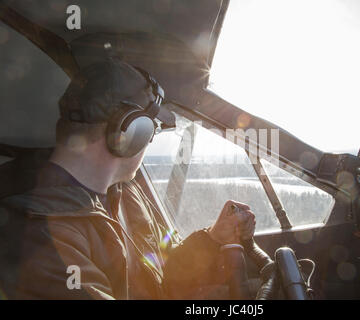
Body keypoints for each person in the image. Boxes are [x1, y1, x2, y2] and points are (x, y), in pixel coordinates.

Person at [0, 58, 256, 299]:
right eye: (152, 129)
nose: (149, 141)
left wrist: (212, 238)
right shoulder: (38, 237)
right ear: (131, 131)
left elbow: (158, 269)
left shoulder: (125, 193)